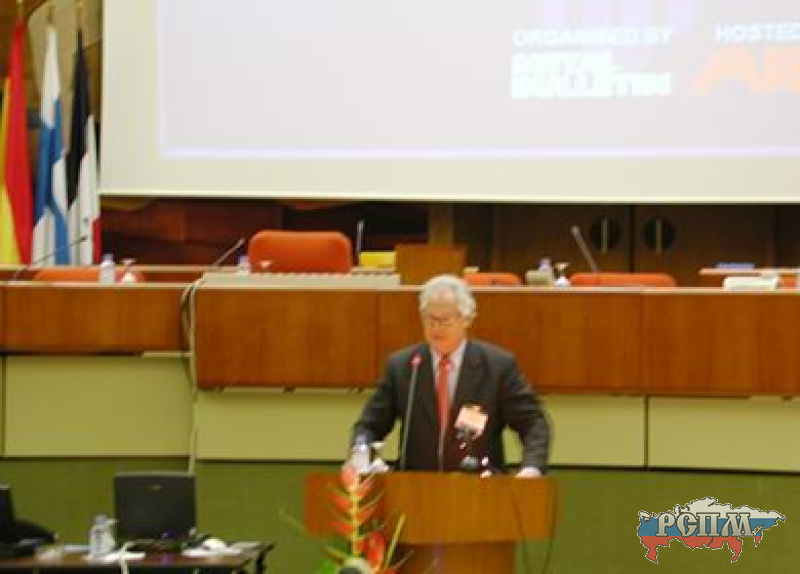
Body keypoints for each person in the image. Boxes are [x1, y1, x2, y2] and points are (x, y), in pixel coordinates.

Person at [352, 274, 550, 476]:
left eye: (445, 320)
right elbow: (369, 426)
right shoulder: (403, 366)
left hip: (480, 486)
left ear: (466, 319)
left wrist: (531, 468)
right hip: (416, 486)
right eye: (430, 319)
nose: (436, 328)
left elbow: (533, 425)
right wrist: (360, 456)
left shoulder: (497, 366)